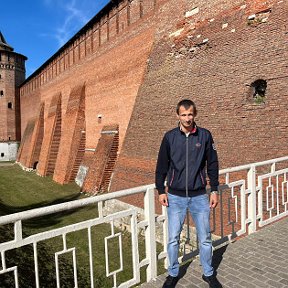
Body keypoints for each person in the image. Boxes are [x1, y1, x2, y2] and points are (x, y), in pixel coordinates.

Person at [155, 99, 221, 288]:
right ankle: (173, 273)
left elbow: (213, 164)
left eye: (190, 114)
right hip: (175, 197)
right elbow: (161, 165)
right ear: (178, 116)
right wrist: (161, 190)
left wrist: (214, 190)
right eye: (183, 115)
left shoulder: (205, 136)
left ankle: (208, 273)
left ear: (195, 114)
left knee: (205, 238)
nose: (187, 118)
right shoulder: (169, 137)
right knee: (173, 238)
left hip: (199, 196)